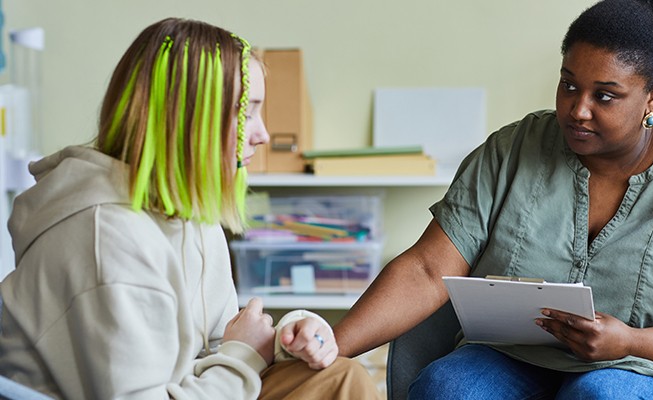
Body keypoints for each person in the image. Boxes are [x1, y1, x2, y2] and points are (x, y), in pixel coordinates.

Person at [334, 1, 653, 399]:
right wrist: (329, 347)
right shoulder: (511, 150)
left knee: (602, 395)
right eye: (568, 85)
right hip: (513, 356)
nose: (578, 109)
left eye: (605, 96)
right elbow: (427, 269)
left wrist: (631, 341)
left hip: (648, 368)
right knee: (449, 389)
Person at [0, 18, 378, 400]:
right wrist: (244, 354)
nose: (262, 134)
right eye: (246, 114)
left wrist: (286, 340)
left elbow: (217, 344)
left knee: (342, 376)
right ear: (188, 120)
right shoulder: (107, 238)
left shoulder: (190, 216)